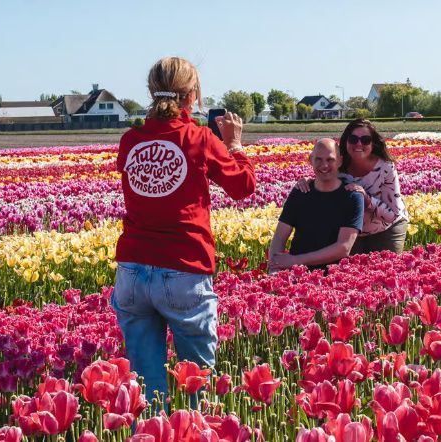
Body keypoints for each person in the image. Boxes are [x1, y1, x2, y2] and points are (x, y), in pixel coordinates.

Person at [112, 57, 256, 402]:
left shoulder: (130, 140)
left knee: (145, 388)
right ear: (192, 95)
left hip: (132, 269)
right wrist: (235, 144)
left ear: (151, 91)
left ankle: (150, 427)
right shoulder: (200, 138)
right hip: (183, 267)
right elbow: (243, 187)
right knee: (196, 386)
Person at [297, 119, 410, 254]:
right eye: (353, 139)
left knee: (387, 266)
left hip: (386, 228)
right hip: (351, 231)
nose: (359, 144)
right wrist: (308, 182)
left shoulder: (385, 167)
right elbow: (323, 182)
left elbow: (392, 215)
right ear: (346, 141)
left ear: (373, 143)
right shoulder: (338, 165)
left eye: (365, 140)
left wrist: (367, 199)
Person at [268, 138, 364, 272]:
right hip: (298, 274)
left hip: (333, 276)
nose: (324, 165)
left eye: (330, 160)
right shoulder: (301, 192)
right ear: (310, 160)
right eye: (318, 159)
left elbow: (343, 247)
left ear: (340, 161)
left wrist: (296, 261)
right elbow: (280, 236)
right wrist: (274, 268)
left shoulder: (352, 197)